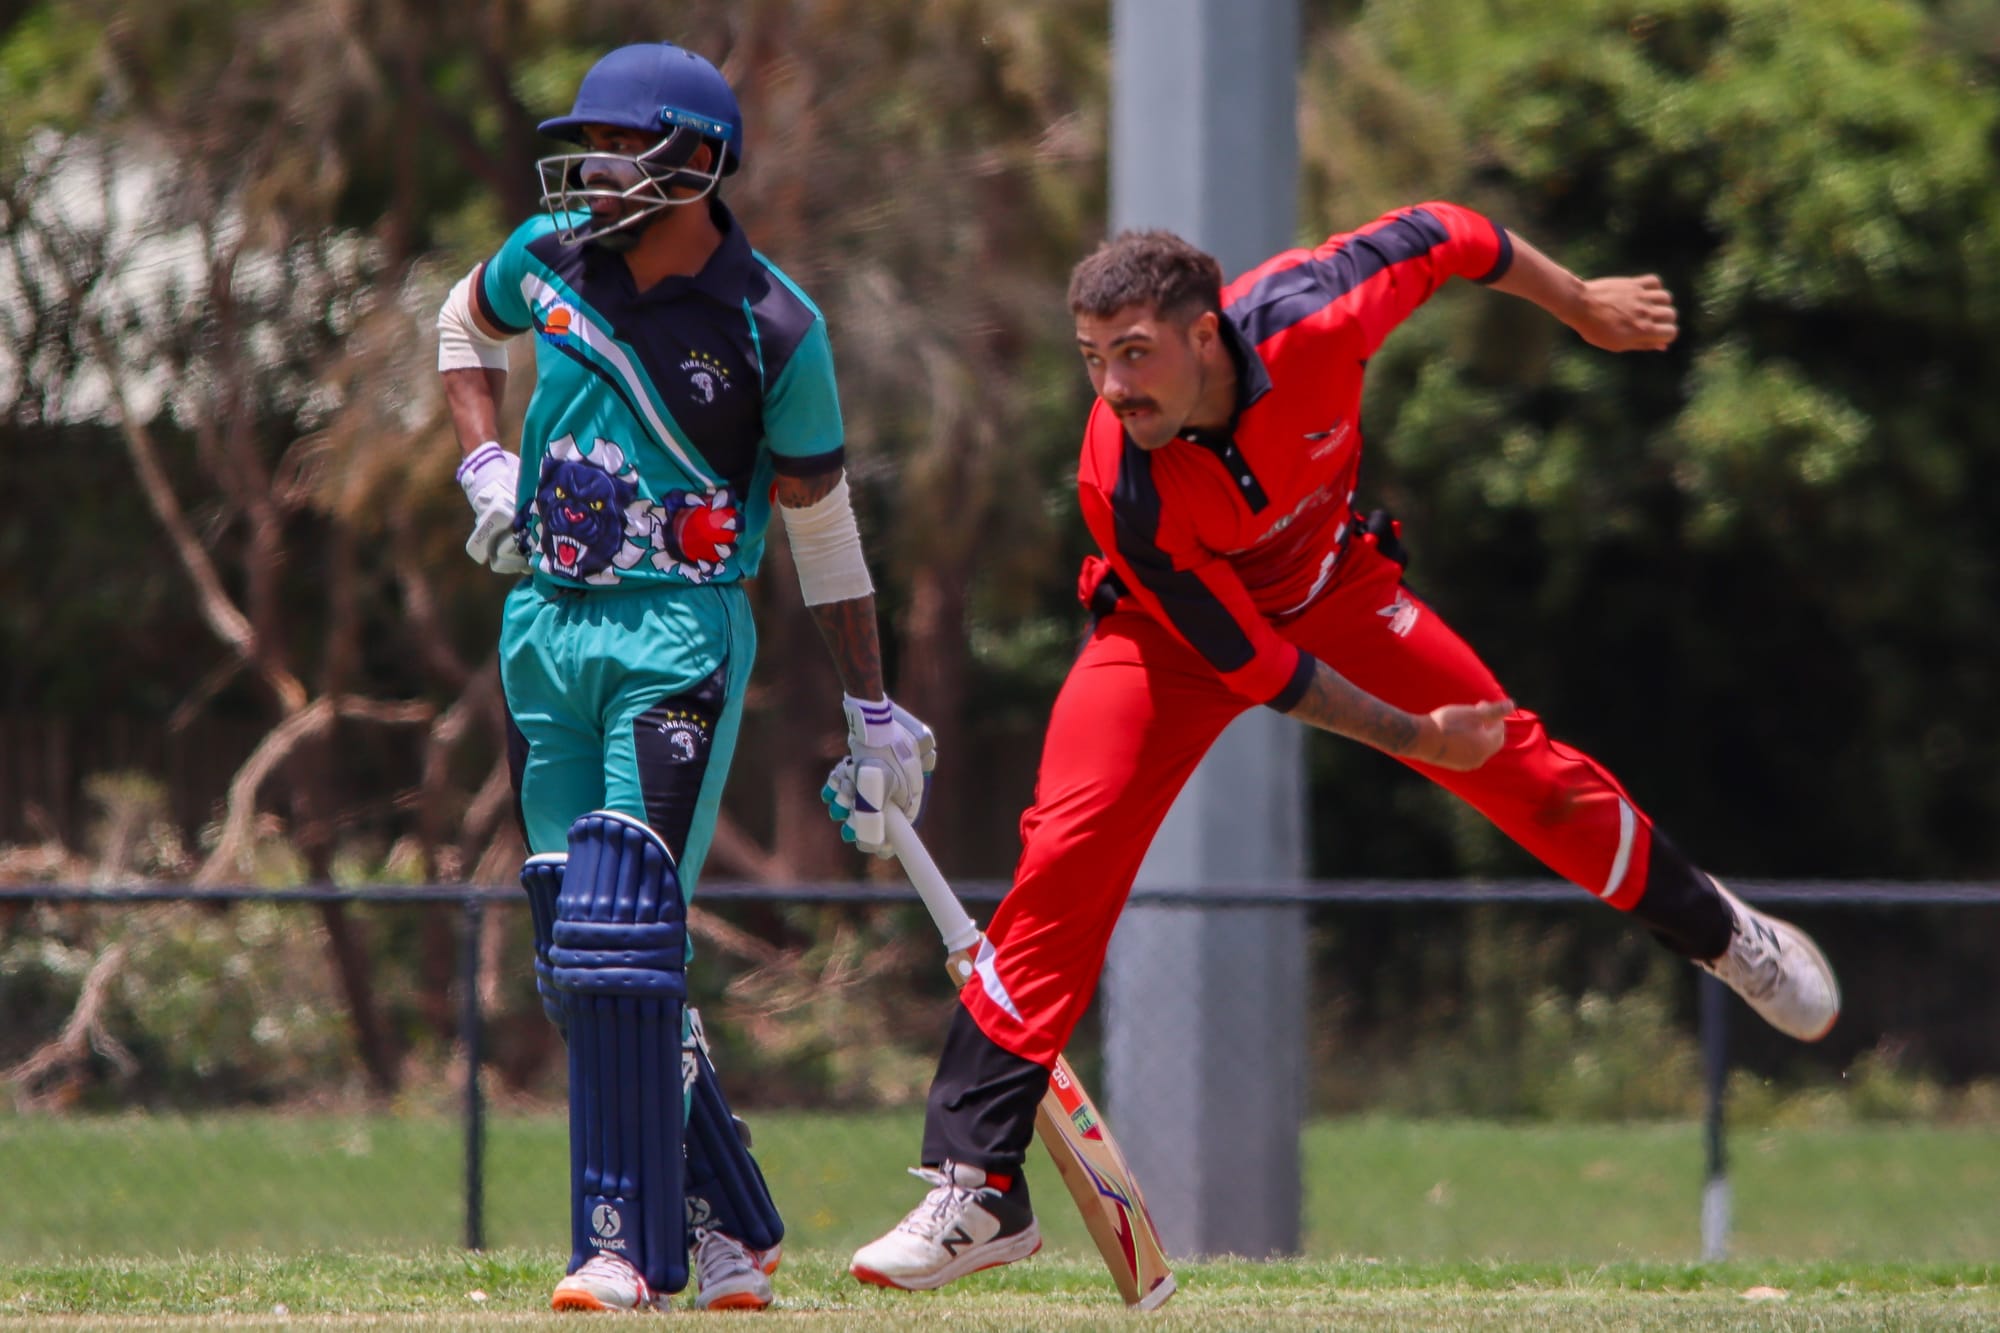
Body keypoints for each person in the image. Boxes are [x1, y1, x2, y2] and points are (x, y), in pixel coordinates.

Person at [839, 202, 1840, 1290]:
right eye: (1091, 360)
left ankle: (1719, 932)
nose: (1114, 388)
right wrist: (1417, 739)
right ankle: (976, 1190)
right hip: (1168, 639)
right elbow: (1260, 672)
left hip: (1340, 592)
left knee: (1524, 770)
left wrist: (1578, 301)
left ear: (1204, 335)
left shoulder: (1315, 315)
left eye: (1133, 355)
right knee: (1064, 855)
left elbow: (1450, 233)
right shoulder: (1118, 480)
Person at [436, 42, 935, 1314]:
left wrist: (869, 708)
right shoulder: (547, 252)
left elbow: (821, 531)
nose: (590, 173)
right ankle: (732, 1223)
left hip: (677, 637)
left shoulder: (773, 325)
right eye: (586, 149)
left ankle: (623, 1250)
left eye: (620, 151)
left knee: (619, 933)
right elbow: (459, 322)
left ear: (697, 163)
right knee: (571, 955)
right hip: (544, 626)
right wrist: (482, 461)